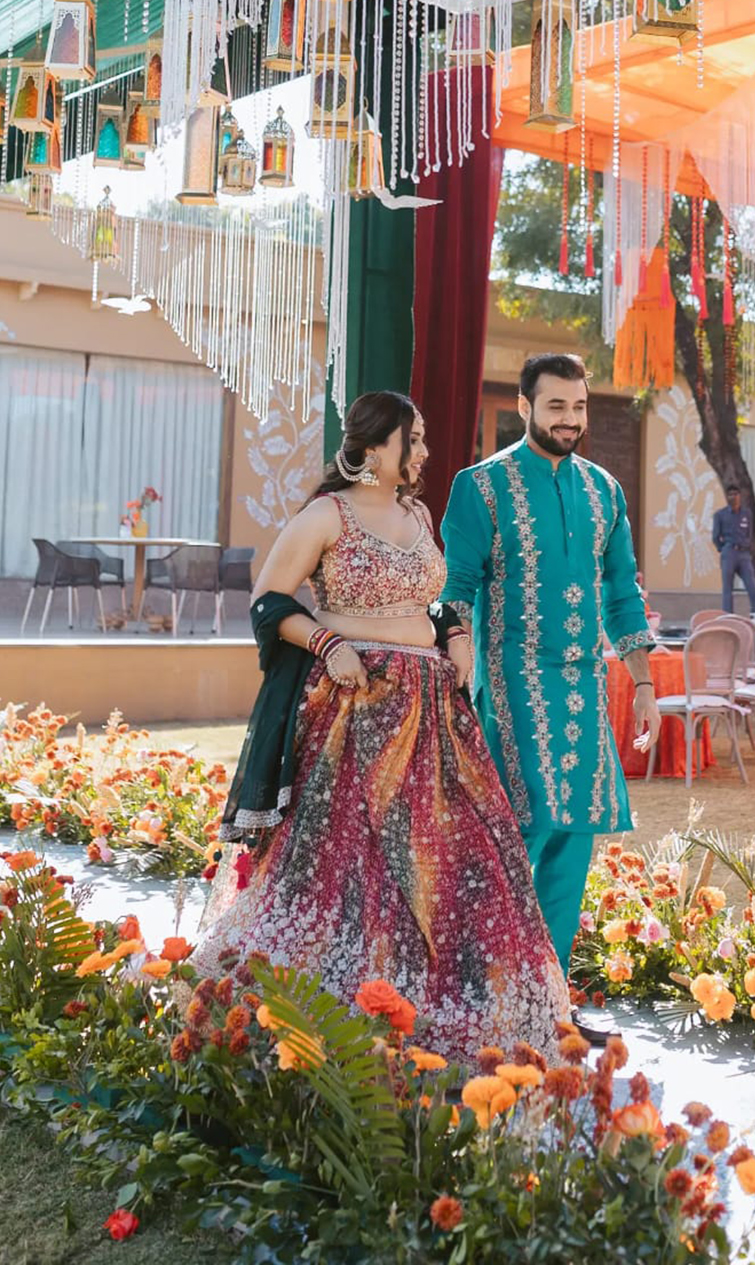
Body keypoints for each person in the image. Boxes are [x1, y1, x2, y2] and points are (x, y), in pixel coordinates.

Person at [193, 390, 568, 1062]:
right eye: (411, 439)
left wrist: (454, 632)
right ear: (373, 447)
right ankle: (334, 1010)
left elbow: (429, 600)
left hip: (433, 715)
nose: (423, 451)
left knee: (456, 858)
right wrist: (325, 643)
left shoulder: (416, 513)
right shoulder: (326, 515)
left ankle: (455, 998)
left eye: (421, 438)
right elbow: (269, 600)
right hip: (355, 713)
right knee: (354, 866)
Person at [441, 352, 660, 978]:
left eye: (579, 406)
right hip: (512, 683)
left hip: (586, 683)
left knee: (574, 837)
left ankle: (550, 990)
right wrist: (456, 655)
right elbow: (455, 588)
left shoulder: (604, 491)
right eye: (556, 406)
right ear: (525, 406)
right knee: (518, 831)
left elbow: (622, 593)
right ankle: (485, 981)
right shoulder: (481, 486)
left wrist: (644, 682)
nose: (570, 419)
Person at [711, 484, 755, 616]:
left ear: (740, 496)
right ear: (727, 497)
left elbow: (749, 533)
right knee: (727, 589)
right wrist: (723, 549)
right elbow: (715, 536)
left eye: (735, 494)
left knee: (752, 586)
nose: (733, 497)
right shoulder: (720, 515)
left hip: (744, 554)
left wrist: (747, 546)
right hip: (729, 553)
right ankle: (728, 616)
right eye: (730, 495)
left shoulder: (746, 513)